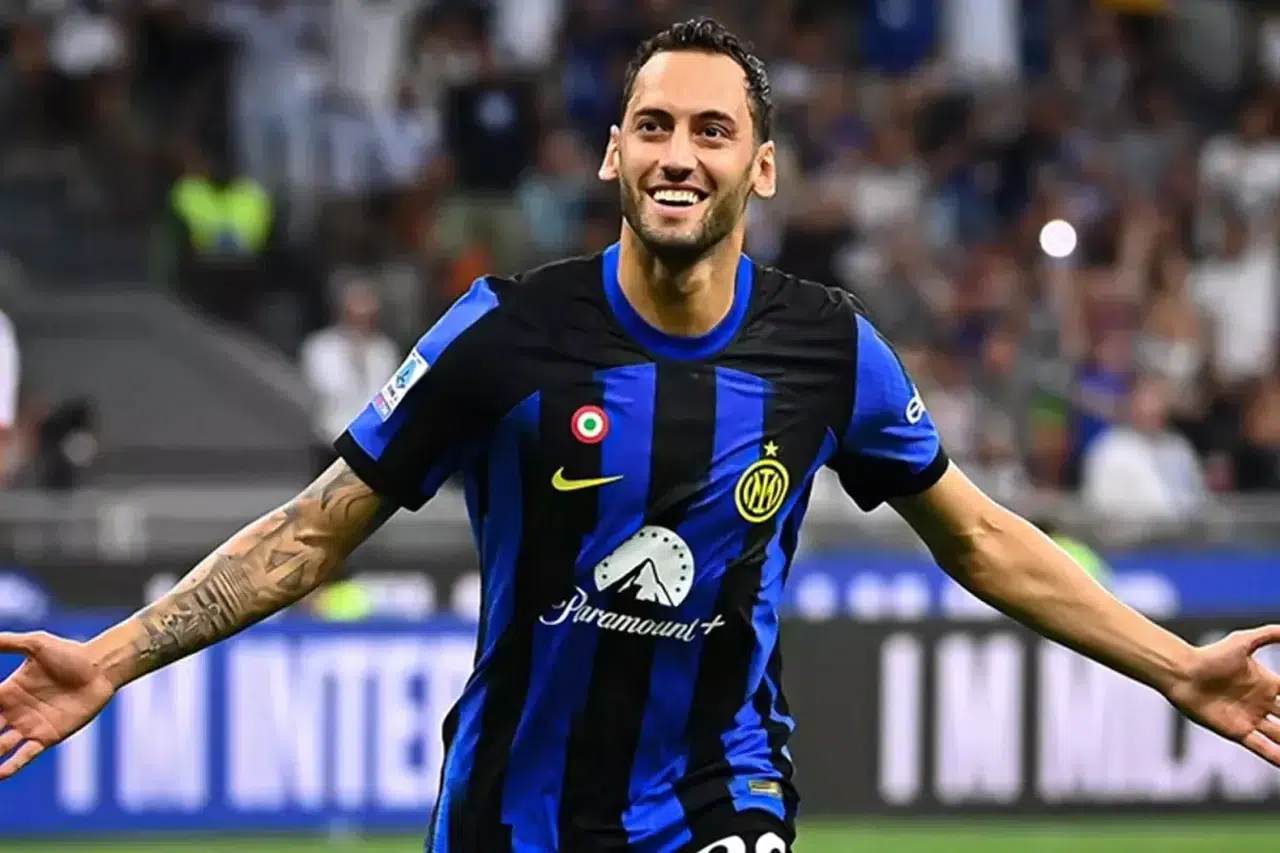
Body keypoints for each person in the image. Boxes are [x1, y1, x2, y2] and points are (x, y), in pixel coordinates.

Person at [0, 18, 1278, 853]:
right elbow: (308, 535)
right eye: (654, 127)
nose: (679, 154)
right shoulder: (502, 332)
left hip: (721, 795)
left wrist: (1175, 667)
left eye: (712, 131)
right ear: (612, 153)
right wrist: (110, 656)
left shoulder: (826, 347)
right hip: (511, 809)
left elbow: (981, 539)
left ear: (760, 167)